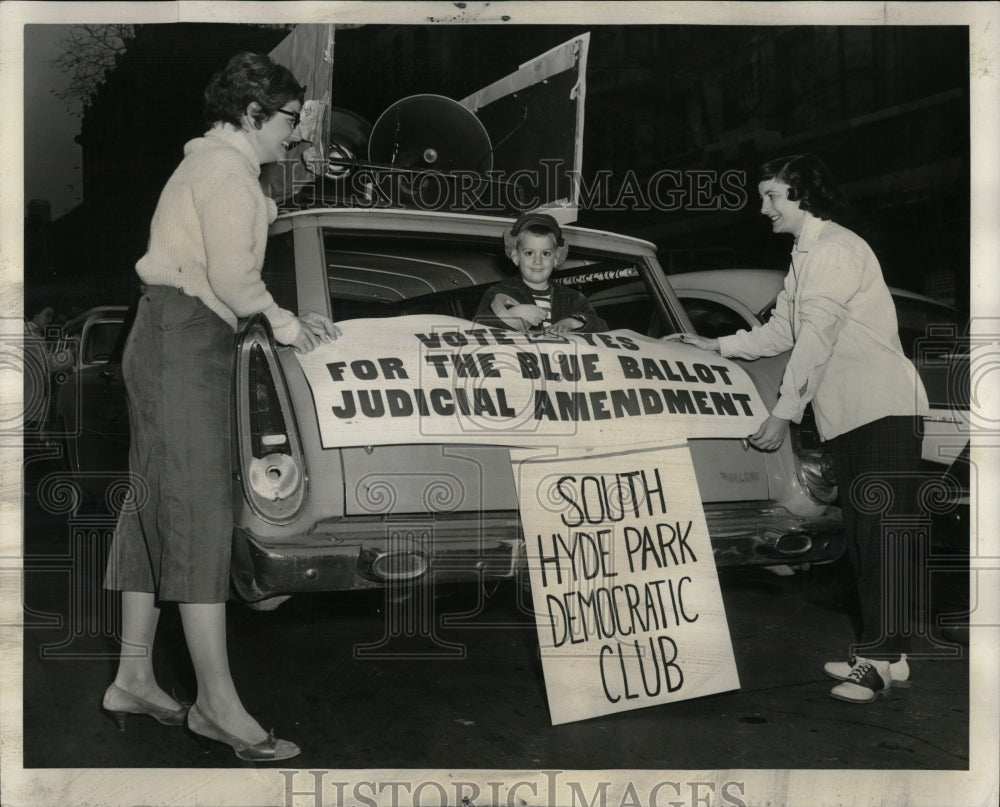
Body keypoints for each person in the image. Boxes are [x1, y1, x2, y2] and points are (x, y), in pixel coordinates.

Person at [102, 52, 339, 761]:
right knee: (200, 513)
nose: (295, 135)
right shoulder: (223, 172)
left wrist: (304, 162)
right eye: (290, 121)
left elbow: (255, 215)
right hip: (185, 342)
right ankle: (214, 703)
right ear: (253, 113)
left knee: (154, 506)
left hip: (169, 336)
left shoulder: (215, 168)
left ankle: (136, 675)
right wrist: (293, 326)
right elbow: (238, 278)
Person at [675, 154, 929, 704]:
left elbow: (814, 340)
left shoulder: (834, 250)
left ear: (803, 196)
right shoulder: (806, 255)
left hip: (882, 408)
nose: (762, 207)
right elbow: (778, 333)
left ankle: (879, 662)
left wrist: (782, 412)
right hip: (855, 413)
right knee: (869, 537)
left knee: (880, 536)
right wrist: (715, 345)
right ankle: (894, 654)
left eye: (773, 196)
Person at [474, 212, 607, 334]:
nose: (538, 261)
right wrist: (513, 315)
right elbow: (478, 326)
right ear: (516, 257)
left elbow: (601, 327)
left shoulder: (573, 298)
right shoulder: (499, 292)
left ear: (556, 259)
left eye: (546, 253)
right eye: (529, 253)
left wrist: (571, 322)